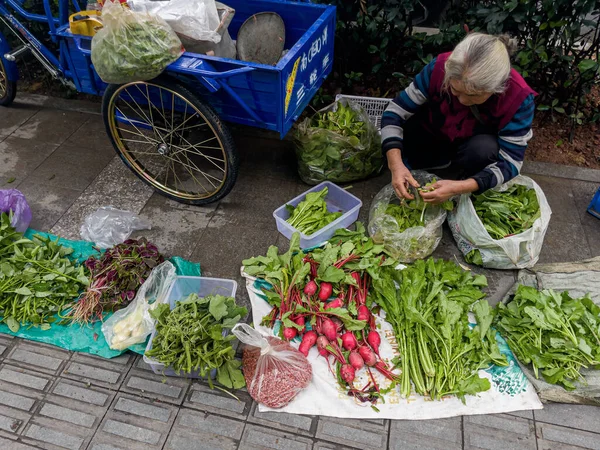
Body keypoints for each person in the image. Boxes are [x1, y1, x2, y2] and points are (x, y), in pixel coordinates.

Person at [380, 33, 536, 204]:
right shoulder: (439, 68)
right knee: (407, 123)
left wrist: (460, 187)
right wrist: (395, 164)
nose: (462, 100)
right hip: (433, 133)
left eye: (473, 95)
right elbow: (394, 113)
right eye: (455, 90)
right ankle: (430, 161)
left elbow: (511, 162)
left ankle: (463, 174)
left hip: (471, 145)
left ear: (496, 89)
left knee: (484, 149)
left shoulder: (518, 98)